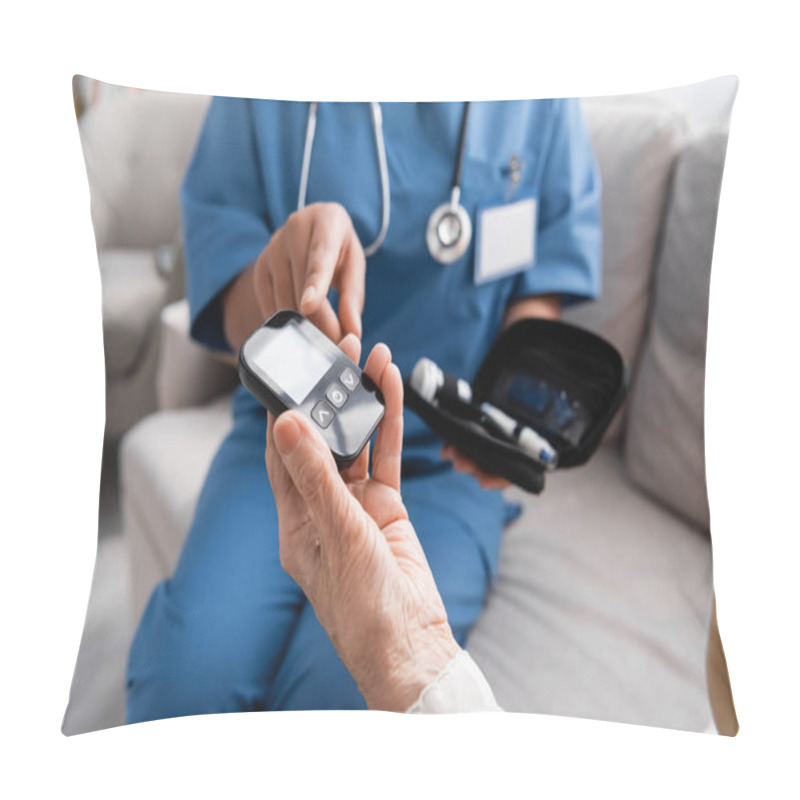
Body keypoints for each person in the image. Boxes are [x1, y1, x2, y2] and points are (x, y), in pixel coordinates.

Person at [125, 99, 601, 721]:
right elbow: (227, 292)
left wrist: (504, 424)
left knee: (343, 701)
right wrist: (280, 282)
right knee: (184, 687)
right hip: (287, 437)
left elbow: (539, 292)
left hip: (440, 468)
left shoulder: (541, 95)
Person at [266, 333, 500, 712]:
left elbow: (534, 338)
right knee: (186, 679)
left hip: (450, 468)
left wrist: (504, 432)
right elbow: (241, 321)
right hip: (297, 427)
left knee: (328, 697)